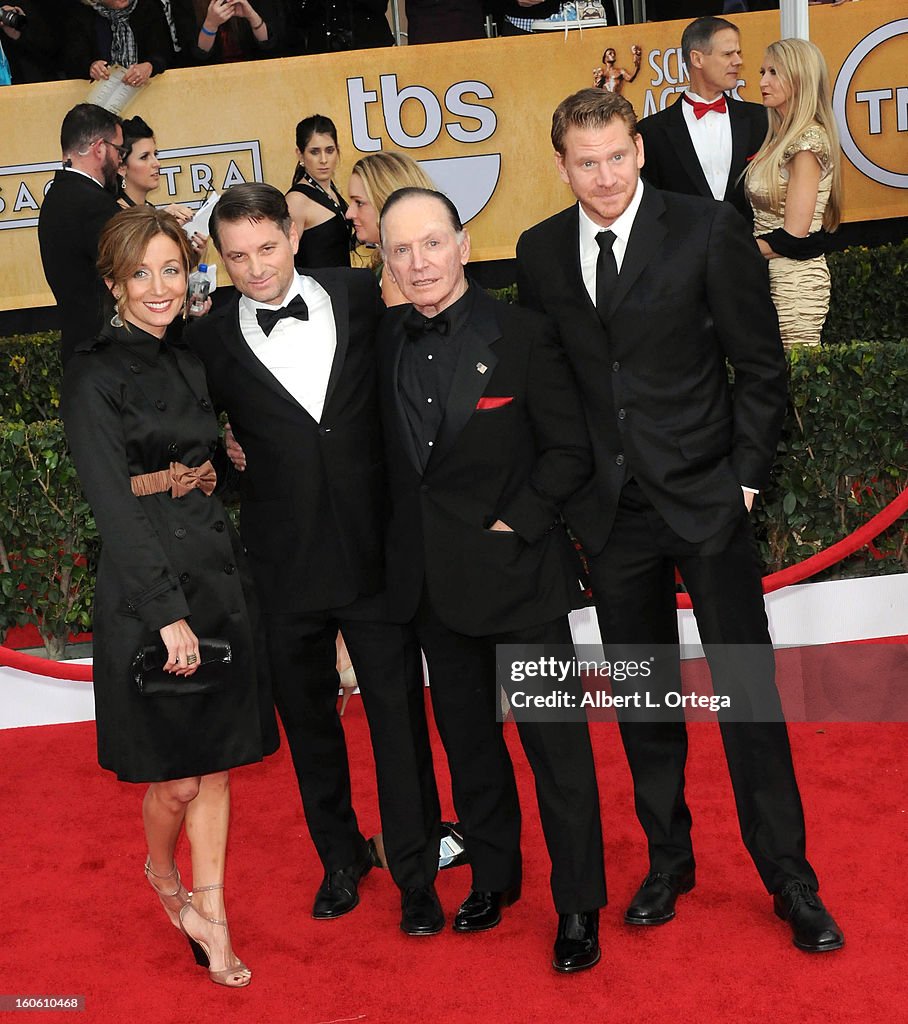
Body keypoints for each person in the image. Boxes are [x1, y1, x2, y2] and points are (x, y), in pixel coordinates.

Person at [516, 88, 844, 953]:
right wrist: (572, 494)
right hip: (612, 514)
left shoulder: (704, 227)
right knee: (643, 698)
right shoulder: (541, 251)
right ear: (561, 165)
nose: (604, 176)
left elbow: (760, 363)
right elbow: (550, 387)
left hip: (705, 498)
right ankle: (669, 861)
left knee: (747, 693)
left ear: (639, 150)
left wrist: (742, 480)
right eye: (586, 163)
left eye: (617, 156)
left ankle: (789, 878)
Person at [188, 183, 439, 926]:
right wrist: (228, 461)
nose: (256, 269)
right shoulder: (209, 339)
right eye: (237, 257)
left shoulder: (361, 294)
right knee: (309, 728)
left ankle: (417, 875)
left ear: (293, 237)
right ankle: (340, 858)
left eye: (267, 248)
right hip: (282, 562)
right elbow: (210, 446)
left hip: (373, 554)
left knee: (398, 722)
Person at [373, 186, 607, 971]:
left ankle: (578, 905)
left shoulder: (523, 334)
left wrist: (520, 523)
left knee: (557, 754)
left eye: (431, 244)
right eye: (400, 250)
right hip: (433, 589)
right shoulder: (381, 342)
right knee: (471, 750)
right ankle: (495, 881)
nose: (418, 263)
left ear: (464, 245)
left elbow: (570, 450)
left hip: (519, 579)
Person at [61, 206, 279, 987]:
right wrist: (166, 613)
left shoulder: (188, 360)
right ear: (115, 283)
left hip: (217, 573)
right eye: (142, 273)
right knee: (178, 778)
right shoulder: (93, 371)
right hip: (150, 588)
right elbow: (113, 504)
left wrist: (232, 458)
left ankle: (213, 916)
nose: (160, 287)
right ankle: (160, 873)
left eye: (172, 269)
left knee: (218, 767)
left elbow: (199, 461)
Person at [745, 38, 842, 347]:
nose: (762, 82)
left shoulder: (807, 143)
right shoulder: (782, 138)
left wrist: (727, 251)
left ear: (800, 78)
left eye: (774, 72)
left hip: (794, 286)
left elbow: (794, 235)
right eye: (763, 71)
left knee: (794, 385)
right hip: (768, 277)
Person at [637, 16, 767, 223]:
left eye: (738, 53)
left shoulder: (761, 119)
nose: (738, 61)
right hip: (683, 252)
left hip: (750, 248)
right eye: (727, 54)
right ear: (697, 59)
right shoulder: (651, 132)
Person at [38, 103, 123, 366]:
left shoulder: (56, 196)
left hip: (83, 353)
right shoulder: (94, 204)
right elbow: (128, 273)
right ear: (100, 148)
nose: (121, 160)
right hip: (109, 355)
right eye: (119, 150)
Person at [345, 151, 435, 306]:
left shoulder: (398, 270)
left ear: (386, 202)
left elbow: (400, 330)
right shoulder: (411, 260)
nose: (349, 213)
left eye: (359, 203)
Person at [116, 115, 208, 258]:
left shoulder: (149, 208)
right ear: (121, 167)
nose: (156, 163)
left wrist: (189, 255)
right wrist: (161, 220)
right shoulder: (113, 216)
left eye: (155, 154)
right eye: (144, 157)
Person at [286, 114, 354, 270]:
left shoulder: (332, 191)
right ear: (300, 154)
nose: (324, 159)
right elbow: (285, 259)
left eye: (329, 150)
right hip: (317, 291)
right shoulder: (296, 201)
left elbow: (332, 246)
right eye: (315, 152)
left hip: (343, 287)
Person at [63, 0, 175, 85]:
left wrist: (150, 66)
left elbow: (164, 54)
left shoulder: (148, 7)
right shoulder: (81, 15)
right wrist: (91, 67)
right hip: (99, 96)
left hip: (146, 90)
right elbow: (73, 61)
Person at [193, 0, 281, 64]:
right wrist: (211, 24)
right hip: (211, 74)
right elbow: (198, 58)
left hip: (253, 69)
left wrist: (252, 16)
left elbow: (269, 47)